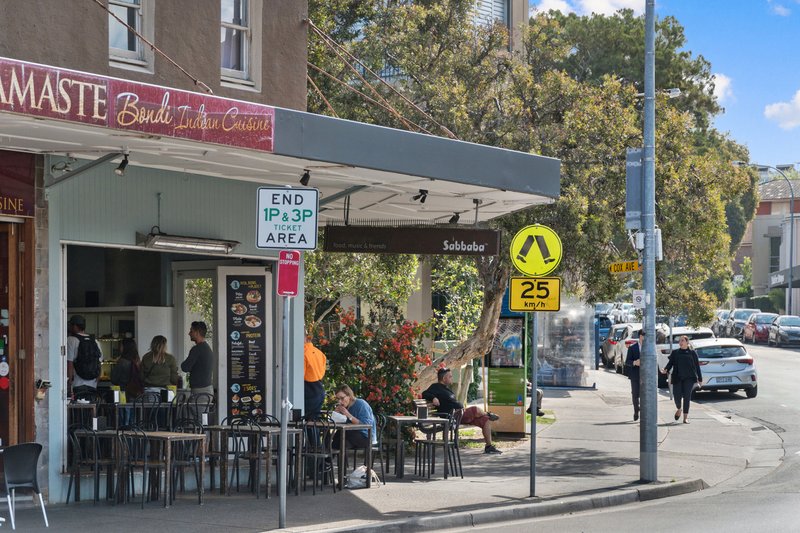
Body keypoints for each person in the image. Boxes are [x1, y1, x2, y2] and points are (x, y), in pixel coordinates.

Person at [422, 368, 502, 455]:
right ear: (444, 378)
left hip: (460, 415)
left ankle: (489, 446)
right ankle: (489, 414)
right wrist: (433, 398)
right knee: (475, 409)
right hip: (453, 416)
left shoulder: (446, 388)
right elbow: (424, 393)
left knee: (485, 420)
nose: (452, 378)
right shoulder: (435, 387)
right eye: (450, 377)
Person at [660, 335, 703, 424]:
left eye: (682, 340)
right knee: (677, 396)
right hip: (677, 377)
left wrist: (700, 378)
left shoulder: (693, 353)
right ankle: (679, 408)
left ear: (687, 342)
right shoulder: (675, 353)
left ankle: (685, 418)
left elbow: (697, 367)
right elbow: (670, 363)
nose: (680, 342)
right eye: (679, 341)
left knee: (687, 397)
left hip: (689, 378)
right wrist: (665, 369)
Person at [66, 314, 102, 400]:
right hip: (92, 384)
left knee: (77, 410)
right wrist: (97, 380)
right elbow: (99, 363)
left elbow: (69, 363)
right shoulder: (95, 341)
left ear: (74, 326)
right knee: (91, 408)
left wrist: (69, 382)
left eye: (70, 325)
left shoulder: (71, 340)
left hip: (77, 383)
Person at [111, 338, 143, 427]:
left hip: (123, 393)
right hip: (135, 392)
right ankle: (133, 436)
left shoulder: (122, 362)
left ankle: (124, 436)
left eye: (121, 345)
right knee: (134, 418)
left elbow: (113, 378)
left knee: (124, 418)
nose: (119, 347)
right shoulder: (138, 361)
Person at [333, 385, 377, 449]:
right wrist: (337, 415)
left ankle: (328, 458)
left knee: (343, 433)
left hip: (366, 437)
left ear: (349, 396)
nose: (339, 401)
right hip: (352, 436)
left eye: (342, 398)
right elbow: (342, 424)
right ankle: (327, 457)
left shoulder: (361, 404)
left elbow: (366, 425)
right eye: (337, 399)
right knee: (341, 441)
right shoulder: (346, 406)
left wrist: (348, 414)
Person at [181, 321, 214, 395]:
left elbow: (185, 367)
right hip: (207, 389)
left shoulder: (197, 349)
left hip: (200, 391)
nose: (189, 333)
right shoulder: (207, 348)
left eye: (191, 331)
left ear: (197, 332)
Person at [304, 339, 326, 421]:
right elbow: (322, 372)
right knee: (313, 421)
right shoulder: (320, 353)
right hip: (319, 389)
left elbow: (299, 376)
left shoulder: (303, 353)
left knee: (303, 421)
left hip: (308, 389)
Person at [624, 330, 644, 421]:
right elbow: (627, 361)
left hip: (646, 376)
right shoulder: (633, 348)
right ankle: (636, 410)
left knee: (645, 394)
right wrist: (635, 362)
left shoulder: (650, 347)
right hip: (635, 374)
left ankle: (644, 412)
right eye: (644, 335)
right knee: (635, 394)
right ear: (640, 336)